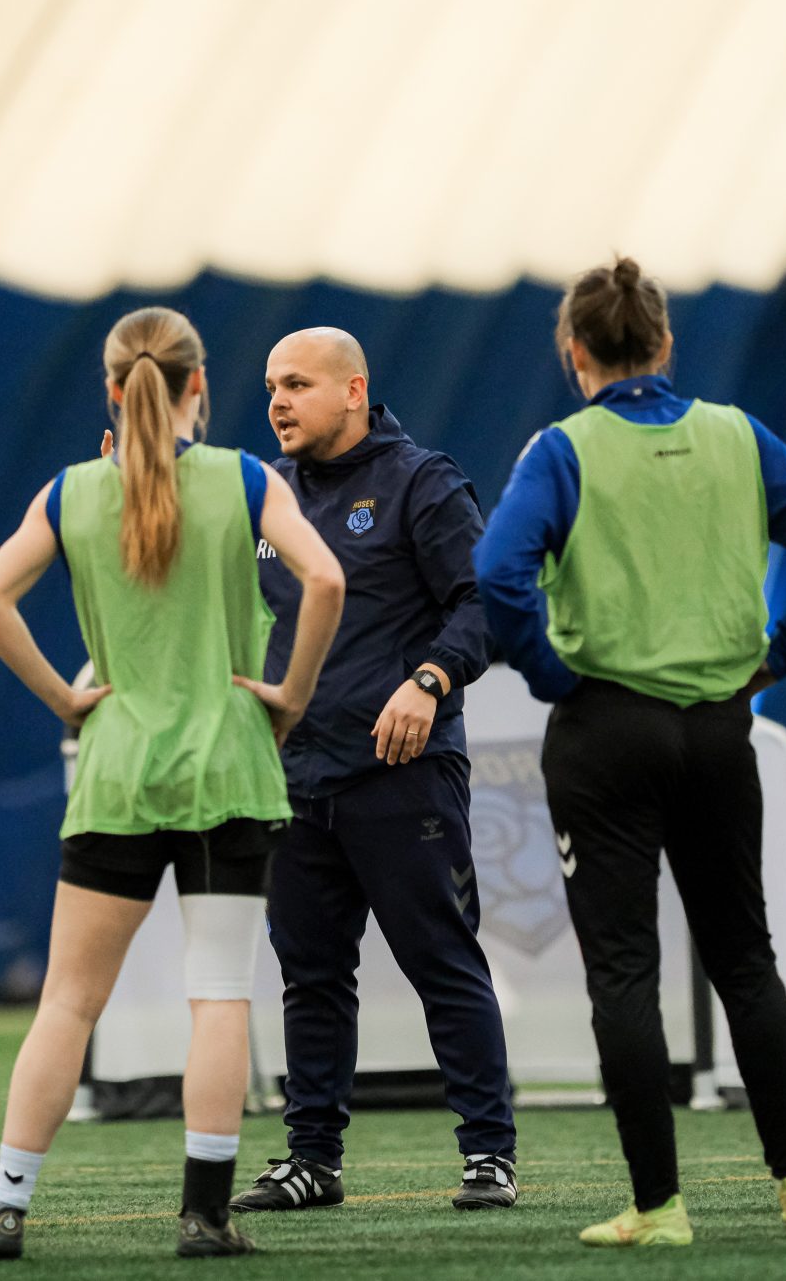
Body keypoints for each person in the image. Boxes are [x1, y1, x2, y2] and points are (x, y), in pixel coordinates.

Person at [474, 257, 786, 1247]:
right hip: (715, 726)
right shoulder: (735, 435)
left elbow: (495, 571)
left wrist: (547, 671)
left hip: (605, 727)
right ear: (661, 343)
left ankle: (657, 1206)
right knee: (745, 955)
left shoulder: (560, 450)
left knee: (622, 970)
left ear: (575, 352)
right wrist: (780, 650)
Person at [0, 307, 343, 1260]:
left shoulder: (71, 492)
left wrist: (66, 697)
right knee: (217, 995)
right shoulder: (246, 479)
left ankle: (7, 1210)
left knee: (67, 1001)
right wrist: (289, 696)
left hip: (119, 768)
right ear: (198, 387)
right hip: (227, 764)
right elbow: (327, 581)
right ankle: (204, 1217)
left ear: (111, 391)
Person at [228, 328, 517, 1215]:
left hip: (402, 772)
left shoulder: (420, 482)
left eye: (299, 384)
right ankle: (312, 1158)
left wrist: (430, 681)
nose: (278, 401)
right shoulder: (264, 497)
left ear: (354, 389)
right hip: (294, 777)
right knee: (308, 974)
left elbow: (487, 601)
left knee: (441, 958)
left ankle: (488, 1156)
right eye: (273, 385)